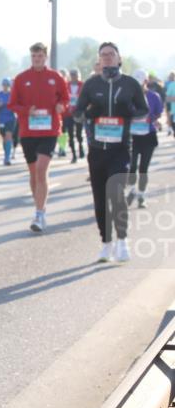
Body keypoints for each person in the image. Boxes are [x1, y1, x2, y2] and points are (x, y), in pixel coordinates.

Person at [73, 42, 148, 263]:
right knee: (99, 199)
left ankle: (122, 241)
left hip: (121, 149)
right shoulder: (91, 84)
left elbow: (143, 111)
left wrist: (131, 113)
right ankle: (106, 244)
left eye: (111, 54)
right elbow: (76, 113)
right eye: (103, 55)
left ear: (118, 58)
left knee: (116, 193)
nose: (107, 58)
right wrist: (88, 113)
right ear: (99, 60)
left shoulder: (130, 84)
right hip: (97, 150)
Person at [8, 42, 69, 233]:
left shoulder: (55, 77)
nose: (37, 60)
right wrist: (27, 111)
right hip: (28, 132)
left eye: (41, 56)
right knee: (34, 174)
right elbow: (12, 105)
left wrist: (61, 106)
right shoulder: (21, 79)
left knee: (42, 170)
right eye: (34, 57)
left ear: (46, 57)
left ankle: (39, 213)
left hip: (50, 131)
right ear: (31, 57)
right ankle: (39, 207)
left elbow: (65, 99)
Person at [126, 69, 164, 209]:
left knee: (143, 168)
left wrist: (152, 119)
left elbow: (158, 112)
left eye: (141, 83)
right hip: (133, 136)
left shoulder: (154, 96)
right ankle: (132, 191)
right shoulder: (129, 96)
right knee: (131, 166)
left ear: (146, 82)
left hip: (148, 136)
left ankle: (141, 195)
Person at [0, 78, 18, 165]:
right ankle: (6, 153)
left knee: (8, 136)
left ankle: (7, 158)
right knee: (4, 138)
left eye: (7, 85)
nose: (5, 87)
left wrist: (12, 106)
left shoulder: (12, 95)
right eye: (4, 85)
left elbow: (16, 105)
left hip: (11, 118)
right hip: (1, 119)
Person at [64, 69, 85, 163]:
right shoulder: (66, 85)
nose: (73, 76)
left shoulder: (83, 85)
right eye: (72, 75)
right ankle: (73, 155)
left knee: (79, 133)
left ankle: (80, 147)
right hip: (68, 113)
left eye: (75, 75)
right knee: (70, 134)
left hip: (79, 112)